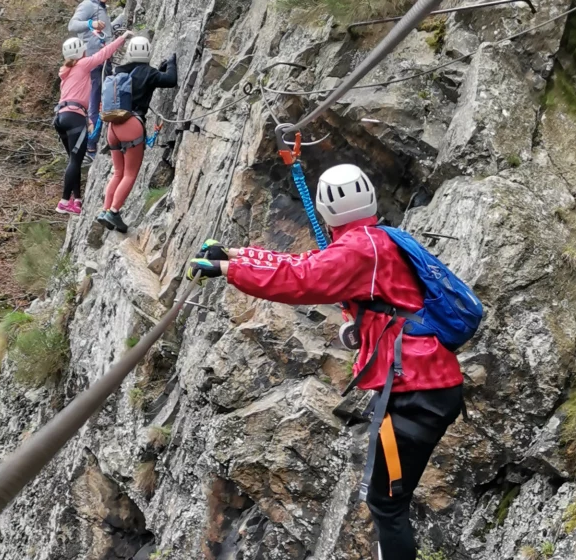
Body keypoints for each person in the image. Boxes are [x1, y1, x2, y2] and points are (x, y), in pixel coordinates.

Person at [185, 164, 465, 560]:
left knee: (387, 505)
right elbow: (305, 266)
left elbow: (301, 280)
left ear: (326, 210)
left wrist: (229, 270)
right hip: (424, 387)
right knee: (386, 501)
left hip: (415, 393)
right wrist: (235, 255)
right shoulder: (375, 239)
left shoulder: (358, 250)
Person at [95, 36, 177, 233]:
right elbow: (170, 80)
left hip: (113, 126)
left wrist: (160, 68)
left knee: (118, 172)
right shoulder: (148, 72)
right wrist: (171, 64)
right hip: (132, 124)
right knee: (130, 174)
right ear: (148, 53)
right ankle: (113, 212)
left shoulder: (119, 71)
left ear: (130, 52)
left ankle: (105, 209)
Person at [54, 32, 133, 215]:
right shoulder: (83, 64)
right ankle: (64, 201)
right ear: (81, 51)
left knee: (75, 160)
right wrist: (123, 37)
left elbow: (72, 97)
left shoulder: (65, 72)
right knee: (75, 160)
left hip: (62, 117)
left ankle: (77, 201)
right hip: (74, 117)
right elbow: (103, 54)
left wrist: (88, 119)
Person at [67, 0, 128, 161]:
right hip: (94, 61)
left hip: (103, 61)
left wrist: (125, 15)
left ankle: (101, 137)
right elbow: (72, 25)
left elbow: (106, 33)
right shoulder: (88, 5)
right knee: (96, 99)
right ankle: (91, 144)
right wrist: (91, 23)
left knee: (103, 97)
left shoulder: (100, 8)